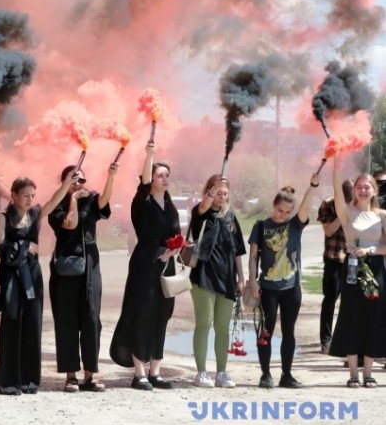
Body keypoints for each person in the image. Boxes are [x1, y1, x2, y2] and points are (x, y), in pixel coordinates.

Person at [109, 140, 181, 390]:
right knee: (143, 314)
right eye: (160, 175)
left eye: (167, 175)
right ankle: (138, 373)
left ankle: (155, 372)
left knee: (162, 314)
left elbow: (175, 234)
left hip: (167, 266)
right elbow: (143, 183)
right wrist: (150, 154)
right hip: (145, 264)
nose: (165, 178)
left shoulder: (170, 205)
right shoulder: (143, 202)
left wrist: (175, 249)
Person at [0, 175, 69, 395]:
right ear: (14, 195)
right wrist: (24, 246)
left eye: (32, 196)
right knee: (11, 321)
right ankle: (9, 382)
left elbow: (54, 201)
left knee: (32, 323)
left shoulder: (36, 214)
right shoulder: (3, 218)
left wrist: (66, 183)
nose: (30, 199)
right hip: (11, 274)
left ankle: (29, 380)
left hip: (32, 275)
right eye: (25, 195)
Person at [48, 162, 117, 393]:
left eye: (82, 180)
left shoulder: (91, 199)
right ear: (65, 182)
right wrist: (73, 200)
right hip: (66, 266)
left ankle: (90, 375)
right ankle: (71, 375)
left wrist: (111, 176)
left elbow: (104, 200)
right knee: (67, 320)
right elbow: (70, 223)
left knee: (91, 318)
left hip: (90, 265)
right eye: (74, 180)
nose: (79, 184)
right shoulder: (56, 204)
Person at [247, 177, 318, 389]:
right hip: (268, 288)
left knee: (289, 331)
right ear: (273, 206)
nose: (283, 215)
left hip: (291, 287)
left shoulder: (295, 224)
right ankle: (265, 374)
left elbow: (305, 205)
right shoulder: (260, 226)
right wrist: (253, 281)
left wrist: (312, 186)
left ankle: (286, 375)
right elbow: (253, 257)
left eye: (287, 212)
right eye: (280, 210)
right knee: (266, 331)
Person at [328, 165, 386, 387]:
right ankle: (353, 374)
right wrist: (336, 168)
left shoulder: (382, 215)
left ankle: (368, 373)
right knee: (351, 317)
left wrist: (371, 250)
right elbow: (336, 192)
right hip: (352, 269)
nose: (363, 190)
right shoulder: (347, 212)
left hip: (376, 269)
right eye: (359, 187)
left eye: (367, 187)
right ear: (354, 190)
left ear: (374, 190)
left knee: (373, 318)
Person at [187, 176, 245, 389]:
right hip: (204, 276)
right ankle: (201, 373)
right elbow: (203, 206)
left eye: (224, 193)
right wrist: (213, 190)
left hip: (227, 278)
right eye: (218, 193)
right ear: (209, 191)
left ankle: (221, 373)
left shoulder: (230, 216)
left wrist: (241, 278)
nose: (221, 197)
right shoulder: (201, 213)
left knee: (223, 327)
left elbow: (237, 251)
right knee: (204, 323)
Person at [317, 180, 353, 353]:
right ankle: (326, 340)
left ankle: (345, 339)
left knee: (350, 302)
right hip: (333, 258)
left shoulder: (360, 206)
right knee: (330, 299)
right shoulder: (328, 204)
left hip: (352, 259)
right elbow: (329, 230)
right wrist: (342, 212)